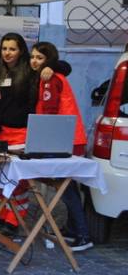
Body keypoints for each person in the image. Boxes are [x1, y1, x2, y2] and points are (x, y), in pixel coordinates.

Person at [30, 42, 93, 251]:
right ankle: (74, 230)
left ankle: (83, 235)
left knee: (66, 189)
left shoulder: (50, 79)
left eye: (39, 58)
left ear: (49, 60)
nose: (34, 61)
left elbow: (49, 114)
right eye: (33, 57)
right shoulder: (51, 76)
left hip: (65, 140)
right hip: (69, 137)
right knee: (68, 187)